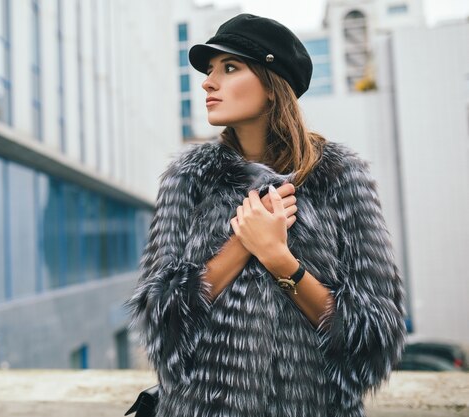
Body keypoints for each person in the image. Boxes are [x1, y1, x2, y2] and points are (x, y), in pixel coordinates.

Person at [125, 13, 406, 417]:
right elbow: (159, 321)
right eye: (209, 70)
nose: (208, 81)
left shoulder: (341, 178)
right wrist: (242, 244)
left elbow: (375, 336)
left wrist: (279, 260)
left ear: (273, 88)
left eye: (230, 67)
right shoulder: (189, 179)